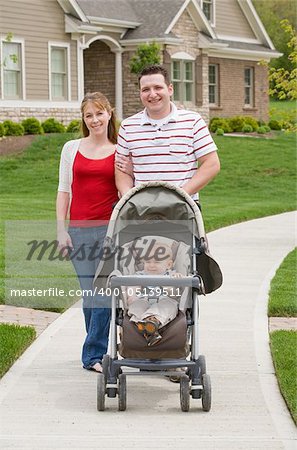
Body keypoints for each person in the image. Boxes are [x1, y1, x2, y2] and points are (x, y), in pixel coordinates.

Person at [56, 92, 131, 373]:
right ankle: (95, 349)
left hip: (110, 232)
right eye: (89, 115)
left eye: (99, 113)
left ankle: (94, 355)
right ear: (83, 119)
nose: (95, 119)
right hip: (79, 232)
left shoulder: (121, 150)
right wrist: (61, 230)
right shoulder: (71, 148)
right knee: (90, 296)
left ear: (109, 114)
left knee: (102, 294)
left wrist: (131, 170)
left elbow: (127, 189)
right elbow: (64, 191)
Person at [115, 64, 220, 200]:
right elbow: (121, 169)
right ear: (140, 93)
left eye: (158, 87)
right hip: (141, 209)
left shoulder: (192, 121)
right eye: (146, 89)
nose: (152, 94)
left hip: (182, 208)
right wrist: (127, 196)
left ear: (170, 89)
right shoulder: (127, 126)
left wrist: (179, 196)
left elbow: (212, 164)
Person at [127, 242, 183, 347]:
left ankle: (149, 322)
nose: (151, 265)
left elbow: (174, 295)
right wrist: (132, 295)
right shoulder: (140, 275)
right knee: (137, 305)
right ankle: (149, 327)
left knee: (168, 305)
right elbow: (133, 286)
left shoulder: (171, 275)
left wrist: (173, 282)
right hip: (144, 301)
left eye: (157, 262)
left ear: (169, 265)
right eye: (148, 261)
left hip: (163, 301)